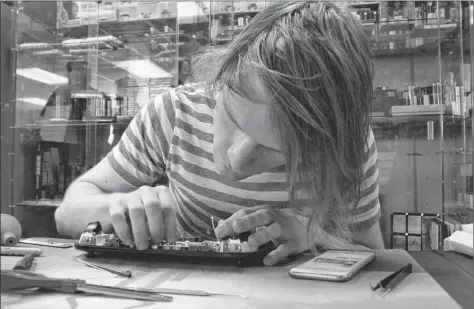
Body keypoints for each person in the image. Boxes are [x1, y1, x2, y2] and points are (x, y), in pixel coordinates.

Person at [55, 1, 384, 266]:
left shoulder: (346, 146)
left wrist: (311, 236)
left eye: (273, 149)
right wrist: (122, 206)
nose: (235, 160)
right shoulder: (173, 113)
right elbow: (67, 214)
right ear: (222, 76)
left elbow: (373, 253)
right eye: (233, 119)